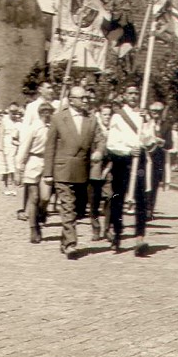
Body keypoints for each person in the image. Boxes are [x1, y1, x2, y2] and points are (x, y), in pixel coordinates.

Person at [43, 86, 103, 259]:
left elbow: (100, 139)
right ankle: (71, 243)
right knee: (67, 206)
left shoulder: (91, 119)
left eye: (86, 97)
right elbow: (50, 146)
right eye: (82, 98)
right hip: (63, 170)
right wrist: (48, 173)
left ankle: (65, 240)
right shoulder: (58, 118)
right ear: (71, 100)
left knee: (76, 209)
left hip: (82, 171)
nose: (86, 100)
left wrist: (99, 150)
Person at [106, 85, 155, 255]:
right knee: (118, 197)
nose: (133, 96)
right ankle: (117, 234)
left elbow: (149, 140)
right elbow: (111, 143)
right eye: (130, 93)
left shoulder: (143, 116)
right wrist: (127, 151)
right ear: (124, 96)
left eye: (136, 93)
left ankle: (140, 237)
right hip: (122, 159)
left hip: (139, 160)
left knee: (141, 198)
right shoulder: (117, 117)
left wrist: (147, 122)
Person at [16, 102, 54, 244]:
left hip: (47, 163)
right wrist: (19, 169)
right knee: (34, 197)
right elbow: (23, 149)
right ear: (42, 114)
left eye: (50, 112)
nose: (49, 115)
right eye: (46, 112)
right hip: (33, 162)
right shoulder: (33, 128)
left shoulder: (52, 128)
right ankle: (33, 228)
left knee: (45, 197)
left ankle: (41, 214)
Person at [144, 101, 173, 222]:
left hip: (158, 160)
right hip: (145, 158)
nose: (155, 114)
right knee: (144, 183)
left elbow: (170, 144)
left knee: (154, 184)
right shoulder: (145, 124)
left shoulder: (166, 126)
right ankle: (143, 207)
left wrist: (161, 142)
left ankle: (150, 208)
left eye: (158, 112)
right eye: (153, 111)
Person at [89, 104, 113, 240]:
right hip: (95, 169)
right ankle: (95, 227)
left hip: (109, 168)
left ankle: (107, 228)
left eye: (109, 115)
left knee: (110, 198)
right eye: (105, 114)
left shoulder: (114, 130)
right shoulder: (95, 130)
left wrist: (108, 168)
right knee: (94, 201)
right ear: (100, 115)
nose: (107, 117)